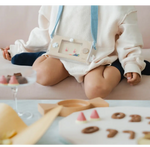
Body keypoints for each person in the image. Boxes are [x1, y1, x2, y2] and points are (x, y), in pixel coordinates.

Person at [2, 3, 150, 99]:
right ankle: (38, 55)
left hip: (99, 56)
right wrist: (21, 49)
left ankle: (118, 65)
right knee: (41, 74)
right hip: (62, 52)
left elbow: (129, 37)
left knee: (96, 89)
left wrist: (131, 63)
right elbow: (45, 29)